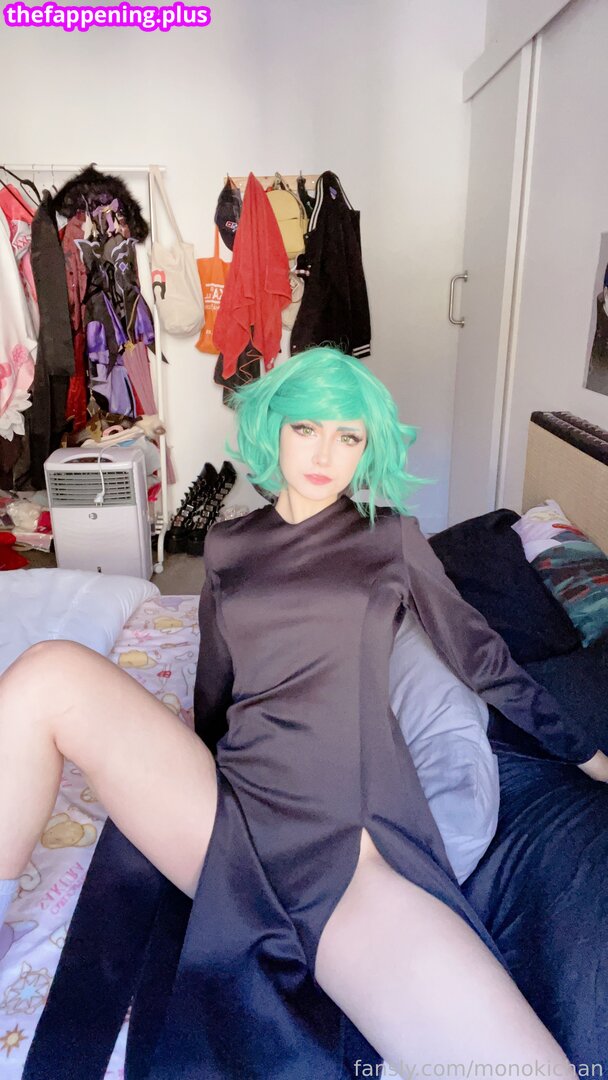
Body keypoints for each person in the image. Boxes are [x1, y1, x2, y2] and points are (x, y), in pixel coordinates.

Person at [2, 347, 607, 1080]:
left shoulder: (390, 538)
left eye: (348, 436)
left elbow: (483, 660)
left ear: (367, 446)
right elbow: (217, 682)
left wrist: (589, 755)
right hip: (231, 808)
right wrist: (181, 765)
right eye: (306, 429)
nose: (325, 455)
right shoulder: (229, 545)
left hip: (344, 844)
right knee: (49, 672)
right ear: (274, 428)